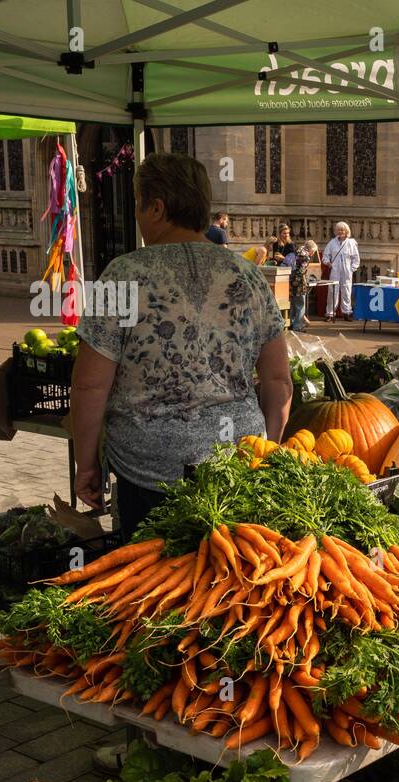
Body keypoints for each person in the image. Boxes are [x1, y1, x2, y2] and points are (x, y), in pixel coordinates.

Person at [70, 151, 292, 540]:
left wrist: (86, 466)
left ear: (156, 208)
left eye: (138, 205)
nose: (137, 216)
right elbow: (278, 380)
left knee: (153, 585)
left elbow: (90, 386)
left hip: (148, 473)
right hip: (237, 462)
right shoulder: (248, 275)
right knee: (231, 579)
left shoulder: (124, 275)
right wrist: (267, 449)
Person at [323, 221, 360, 319]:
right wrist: (328, 263)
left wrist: (352, 269)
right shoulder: (332, 242)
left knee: (346, 291)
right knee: (332, 291)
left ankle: (347, 312)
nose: (340, 231)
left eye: (342, 230)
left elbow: (356, 258)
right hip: (335, 270)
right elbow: (325, 255)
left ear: (346, 231)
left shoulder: (351, 243)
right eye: (338, 230)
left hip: (346, 270)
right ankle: (330, 313)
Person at [287, 238, 320, 332]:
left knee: (293, 304)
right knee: (301, 305)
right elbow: (301, 271)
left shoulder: (297, 252)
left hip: (291, 280)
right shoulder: (305, 256)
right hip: (299, 283)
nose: (313, 253)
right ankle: (298, 326)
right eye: (313, 251)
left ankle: (291, 323)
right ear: (311, 249)